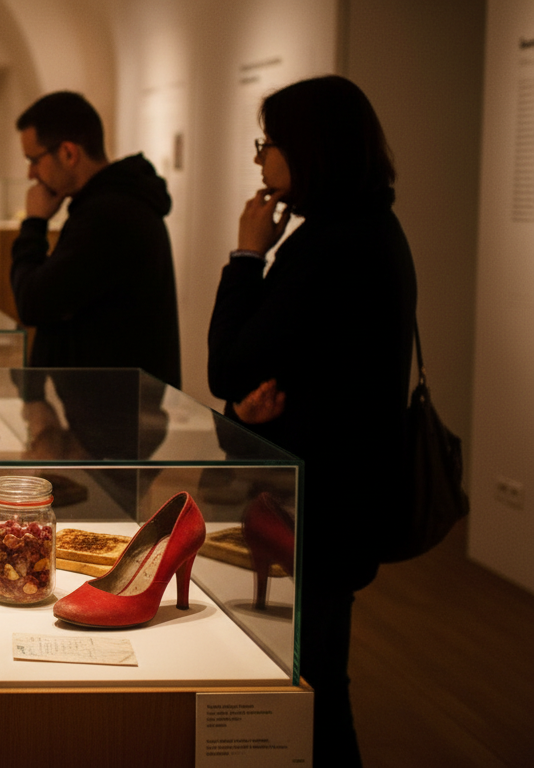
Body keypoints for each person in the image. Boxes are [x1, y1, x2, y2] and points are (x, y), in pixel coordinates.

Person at [207, 75, 417, 768]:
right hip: (341, 501)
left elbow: (230, 370)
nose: (261, 161)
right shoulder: (373, 230)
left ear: (310, 151)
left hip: (314, 506)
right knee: (321, 680)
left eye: (269, 145)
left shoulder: (327, 247)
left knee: (311, 687)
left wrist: (244, 256)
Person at [9, 90, 181, 388]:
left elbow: (33, 302)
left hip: (111, 414)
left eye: (34, 160)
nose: (30, 173)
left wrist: (34, 224)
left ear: (68, 153)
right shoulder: (111, 205)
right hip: (108, 408)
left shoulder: (107, 216)